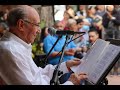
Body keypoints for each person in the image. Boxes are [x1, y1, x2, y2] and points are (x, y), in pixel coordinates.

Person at [0, 5, 87, 85]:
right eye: (37, 25)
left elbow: (37, 74)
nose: (38, 30)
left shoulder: (17, 46)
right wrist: (70, 83)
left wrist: (66, 65)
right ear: (21, 25)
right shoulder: (12, 50)